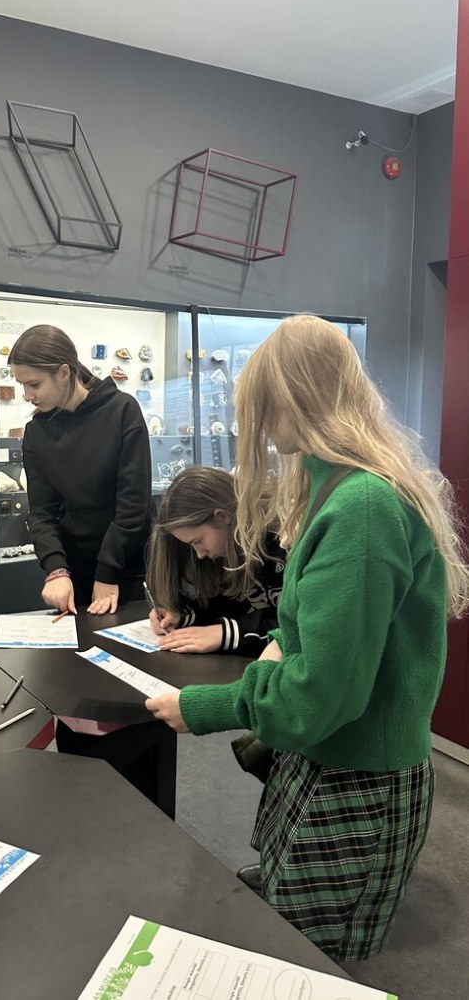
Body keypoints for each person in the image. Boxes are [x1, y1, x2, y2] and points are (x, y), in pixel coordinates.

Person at [146, 314, 469, 962]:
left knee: (309, 956)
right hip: (326, 758)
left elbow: (321, 693)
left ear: (295, 398)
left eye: (264, 407)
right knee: (282, 914)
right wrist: (278, 644)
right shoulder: (338, 490)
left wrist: (204, 708)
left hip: (357, 773)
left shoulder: (361, 507)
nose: (260, 428)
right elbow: (313, 633)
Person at [9, 324, 152, 617]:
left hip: (128, 566)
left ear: (63, 373)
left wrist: (108, 570)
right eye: (22, 384)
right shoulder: (37, 432)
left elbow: (133, 504)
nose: (27, 395)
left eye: (34, 384)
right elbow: (42, 512)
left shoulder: (122, 411)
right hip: (75, 572)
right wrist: (55, 569)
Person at [146, 465, 284, 657]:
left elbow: (299, 623)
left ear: (222, 517)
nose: (199, 554)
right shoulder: (228, 548)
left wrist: (227, 633)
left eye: (198, 541)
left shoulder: (284, 543)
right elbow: (229, 605)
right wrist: (183, 617)